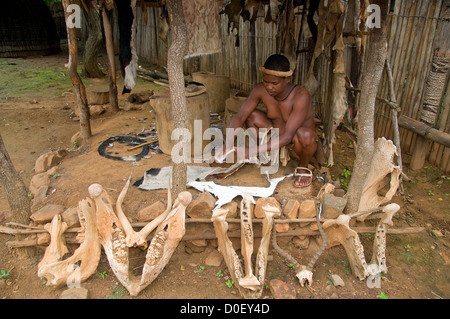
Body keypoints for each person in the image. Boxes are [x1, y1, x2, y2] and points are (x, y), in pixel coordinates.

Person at [218, 54, 318, 188]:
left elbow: (288, 136)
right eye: (266, 82)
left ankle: (302, 166)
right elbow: (240, 116)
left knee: (306, 135)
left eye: (274, 83)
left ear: (287, 79)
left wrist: (251, 150)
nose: (269, 87)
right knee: (251, 115)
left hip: (295, 140)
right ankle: (265, 155)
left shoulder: (301, 95)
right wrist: (227, 144)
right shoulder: (260, 89)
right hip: (274, 134)